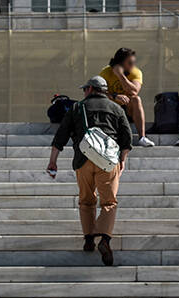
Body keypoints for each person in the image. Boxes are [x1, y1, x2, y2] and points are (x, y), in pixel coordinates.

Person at [47, 76, 133, 266]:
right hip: (108, 162)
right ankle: (104, 239)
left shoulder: (77, 108)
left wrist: (53, 161)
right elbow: (127, 138)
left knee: (86, 200)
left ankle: (88, 239)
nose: (84, 92)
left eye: (85, 89)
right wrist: (123, 160)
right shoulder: (116, 108)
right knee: (109, 202)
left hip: (83, 160)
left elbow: (60, 135)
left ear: (91, 89)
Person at [99, 48, 155, 147]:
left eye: (133, 62)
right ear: (120, 63)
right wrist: (115, 96)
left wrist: (120, 75)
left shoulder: (136, 72)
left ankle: (142, 137)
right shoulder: (106, 72)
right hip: (112, 110)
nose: (132, 65)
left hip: (128, 109)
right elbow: (98, 93)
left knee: (136, 99)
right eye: (129, 63)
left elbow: (134, 91)